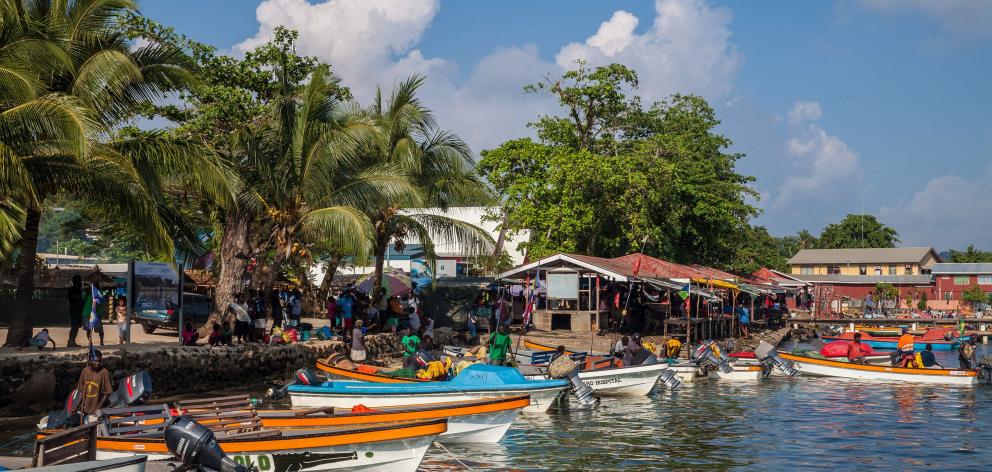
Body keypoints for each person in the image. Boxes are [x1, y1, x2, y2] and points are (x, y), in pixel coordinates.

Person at [76, 349, 112, 418]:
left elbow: (106, 393)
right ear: (90, 360)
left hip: (98, 408)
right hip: (86, 408)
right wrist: (77, 406)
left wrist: (97, 408)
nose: (98, 363)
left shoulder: (104, 372)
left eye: (99, 361)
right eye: (95, 361)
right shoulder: (85, 371)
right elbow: (81, 391)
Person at [67, 275, 83, 347]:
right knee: (74, 326)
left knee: (76, 326)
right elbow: (77, 297)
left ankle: (72, 341)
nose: (81, 282)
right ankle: (70, 341)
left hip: (78, 309)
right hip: (74, 310)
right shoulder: (72, 289)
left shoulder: (78, 289)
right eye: (80, 280)